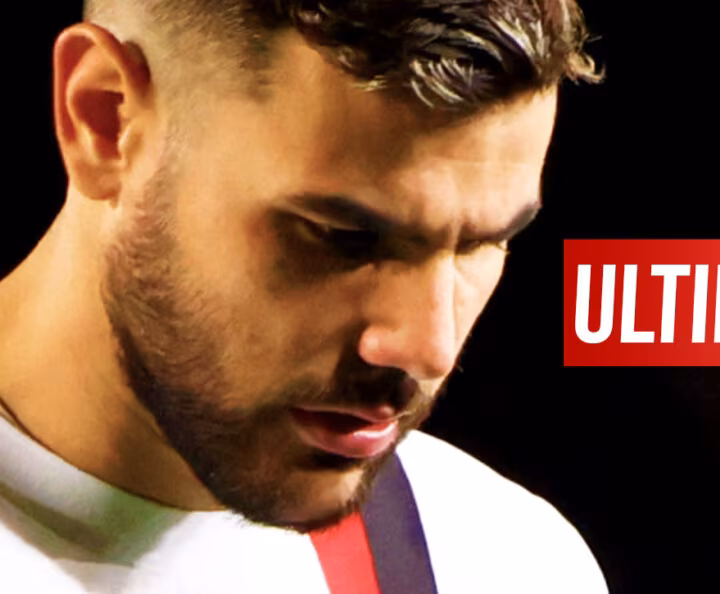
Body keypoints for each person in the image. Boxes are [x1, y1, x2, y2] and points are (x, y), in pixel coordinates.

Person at [0, 1, 606, 592]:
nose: (429, 349)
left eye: (482, 242)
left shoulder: (509, 562)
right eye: (345, 237)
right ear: (106, 121)